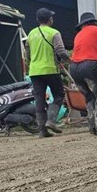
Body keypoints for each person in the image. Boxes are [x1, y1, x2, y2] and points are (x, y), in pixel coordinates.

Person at [25, 8, 70, 138]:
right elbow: (60, 51)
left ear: (38, 20)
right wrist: (69, 60)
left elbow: (27, 54)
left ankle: (42, 131)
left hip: (34, 71)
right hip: (50, 69)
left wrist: (31, 65)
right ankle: (51, 121)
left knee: (39, 99)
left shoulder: (31, 34)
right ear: (50, 19)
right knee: (59, 95)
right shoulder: (54, 33)